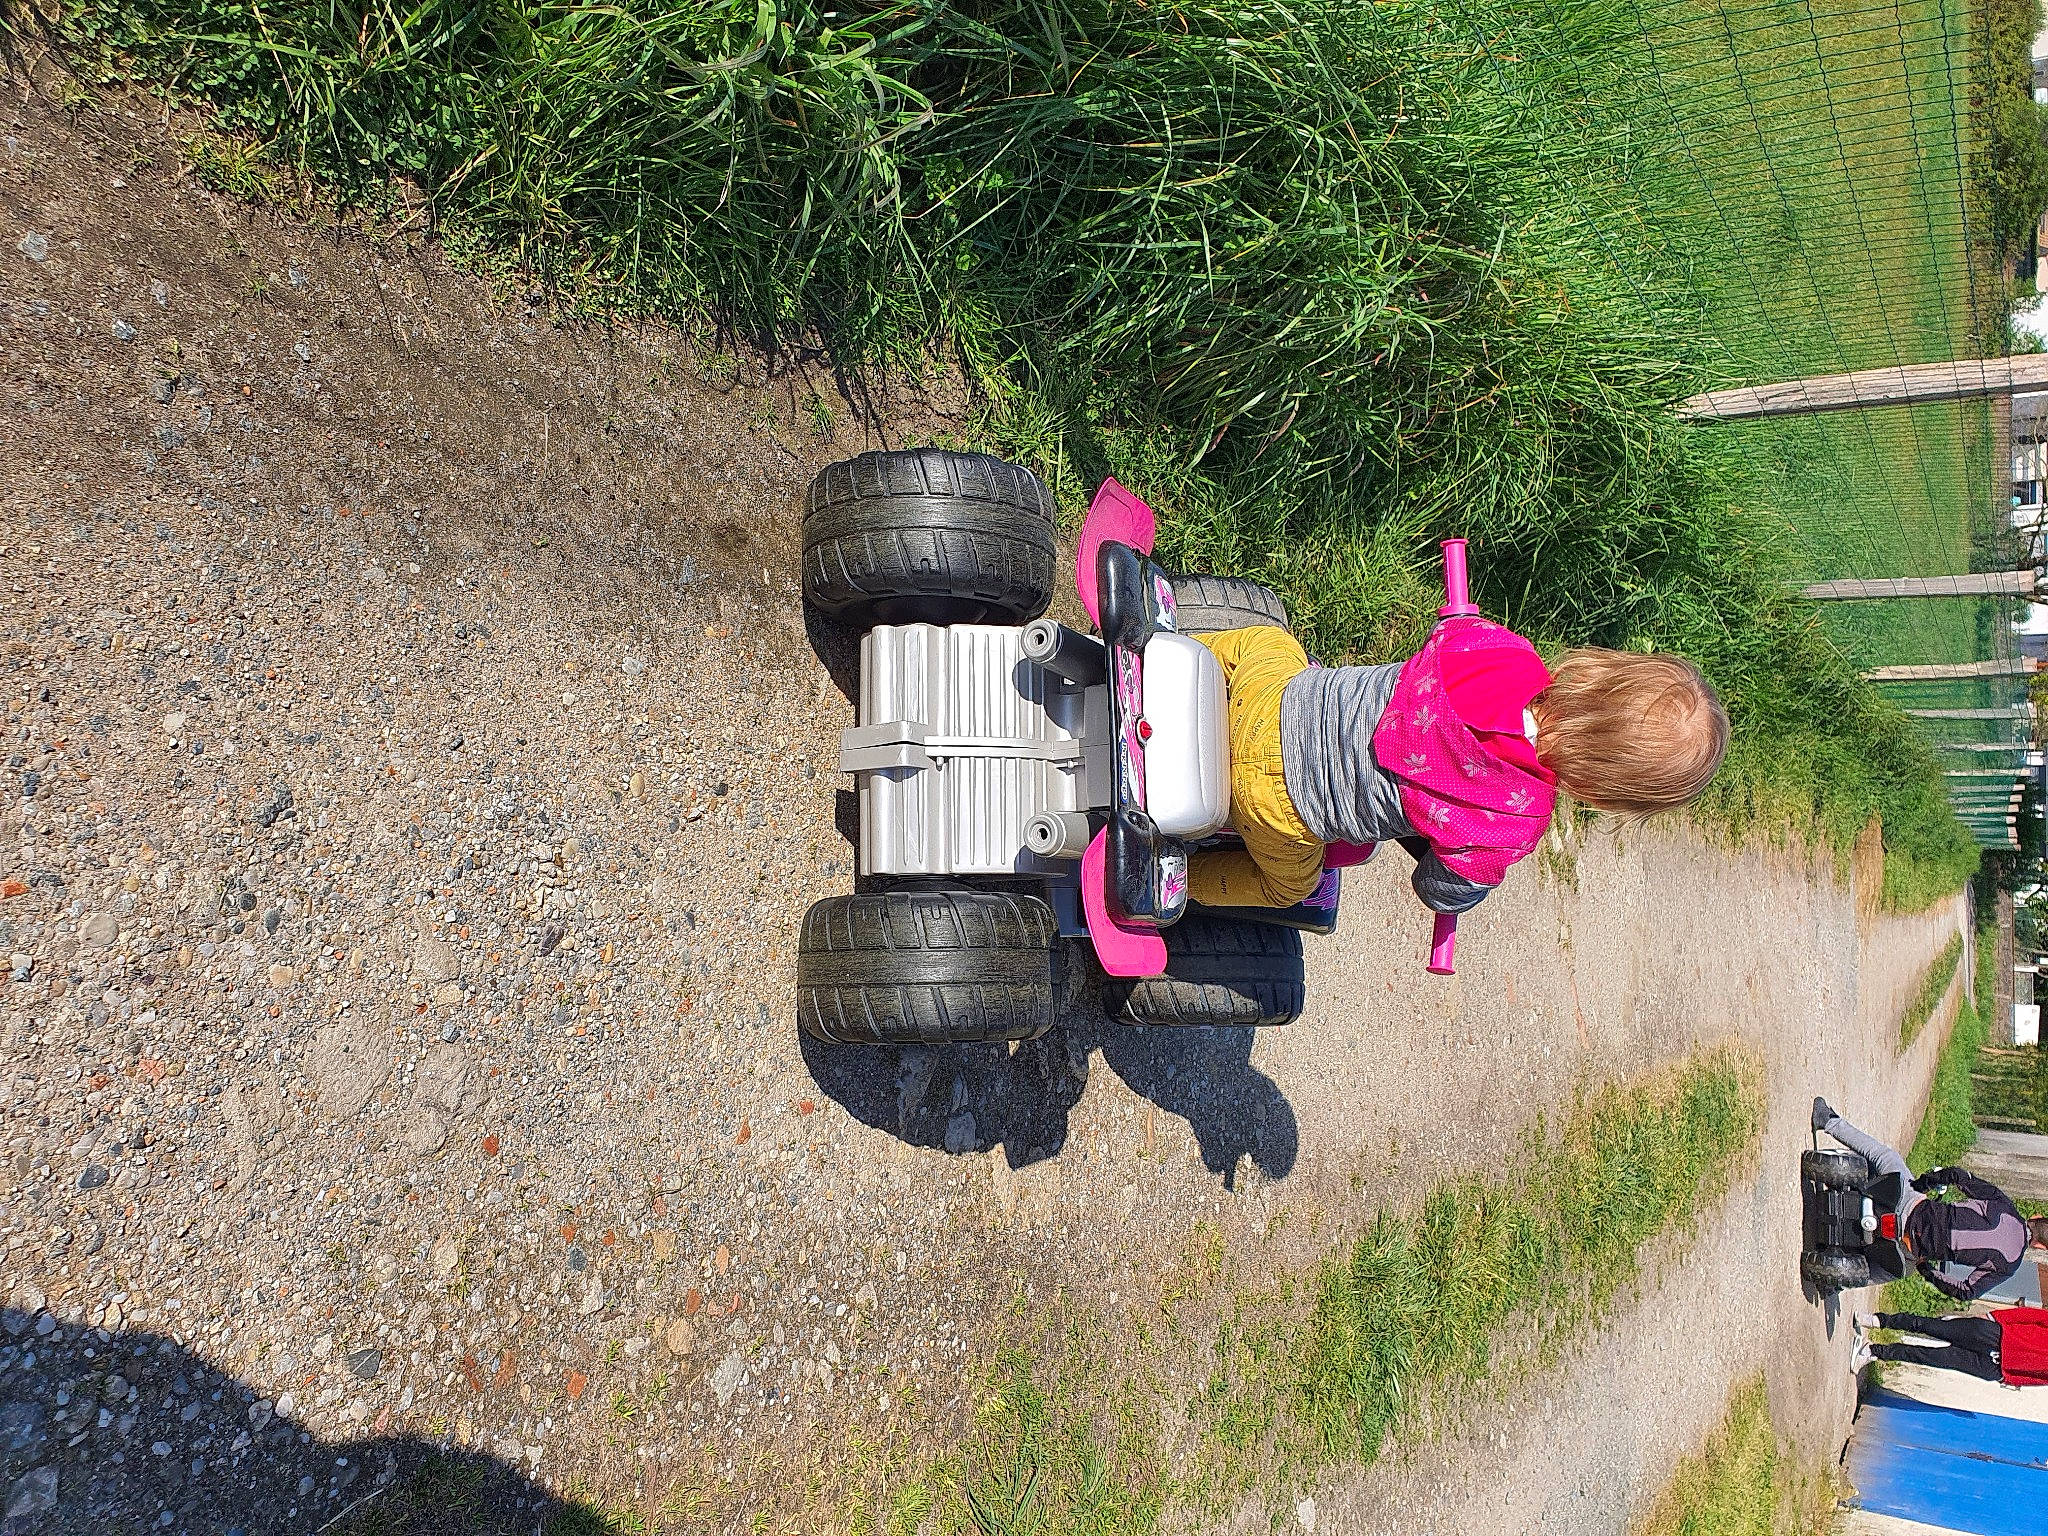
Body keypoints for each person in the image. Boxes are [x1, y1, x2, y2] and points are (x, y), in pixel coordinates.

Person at [1187, 617, 1728, 912]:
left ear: (1603, 667)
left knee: (1267, 640)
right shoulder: (1515, 825)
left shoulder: (1505, 651)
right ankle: (1177, 880)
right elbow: (1437, 888)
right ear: (1604, 794)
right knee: (1289, 890)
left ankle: (1161, 649)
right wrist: (1467, 890)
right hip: (1279, 810)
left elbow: (1449, 633)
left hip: (1273, 700)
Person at [1812, 1097, 2048, 1301]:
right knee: (1890, 1272)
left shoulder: (2003, 1206)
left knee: (1885, 1156)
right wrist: (1926, 1269)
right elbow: (1966, 1291)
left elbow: (1958, 1175)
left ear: (2036, 1217)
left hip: (1910, 1206)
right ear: (2039, 1246)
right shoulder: (2008, 1266)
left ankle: (1828, 1120)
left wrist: (1924, 1183)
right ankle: (1837, 1282)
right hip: (1910, 1248)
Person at [1850, 1307, 2048, 1385]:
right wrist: (1995, 1317)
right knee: (1931, 1326)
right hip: (1995, 1335)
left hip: (1995, 1366)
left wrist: (2010, 1379)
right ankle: (1878, 1320)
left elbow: (2040, 1380)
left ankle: (1873, 1351)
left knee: (1931, 1357)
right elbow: (2033, 1316)